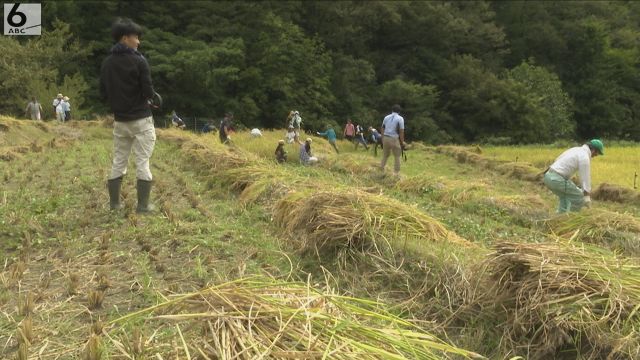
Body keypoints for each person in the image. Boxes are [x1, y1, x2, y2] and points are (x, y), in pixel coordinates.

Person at [100, 18, 157, 213]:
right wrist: (154, 98)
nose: (138, 41)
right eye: (136, 37)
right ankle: (143, 206)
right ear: (125, 38)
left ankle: (115, 204)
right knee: (142, 161)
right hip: (141, 120)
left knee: (119, 161)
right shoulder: (139, 60)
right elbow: (148, 92)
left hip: (120, 121)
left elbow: (103, 93)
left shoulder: (107, 63)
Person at [543, 139, 604, 213]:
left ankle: (560, 218)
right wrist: (586, 196)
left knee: (565, 197)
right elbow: (585, 177)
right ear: (594, 150)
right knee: (579, 197)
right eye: (598, 153)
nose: (596, 155)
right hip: (556, 179)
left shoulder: (576, 149)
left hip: (549, 176)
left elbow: (558, 159)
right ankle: (572, 219)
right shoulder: (584, 157)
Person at [380, 104, 405, 176]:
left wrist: (382, 138)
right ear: (399, 111)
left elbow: (382, 128)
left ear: (392, 110)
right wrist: (402, 142)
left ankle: (381, 169)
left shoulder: (386, 117)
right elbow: (401, 131)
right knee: (397, 156)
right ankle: (396, 173)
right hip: (394, 138)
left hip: (386, 137)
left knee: (385, 155)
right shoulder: (400, 118)